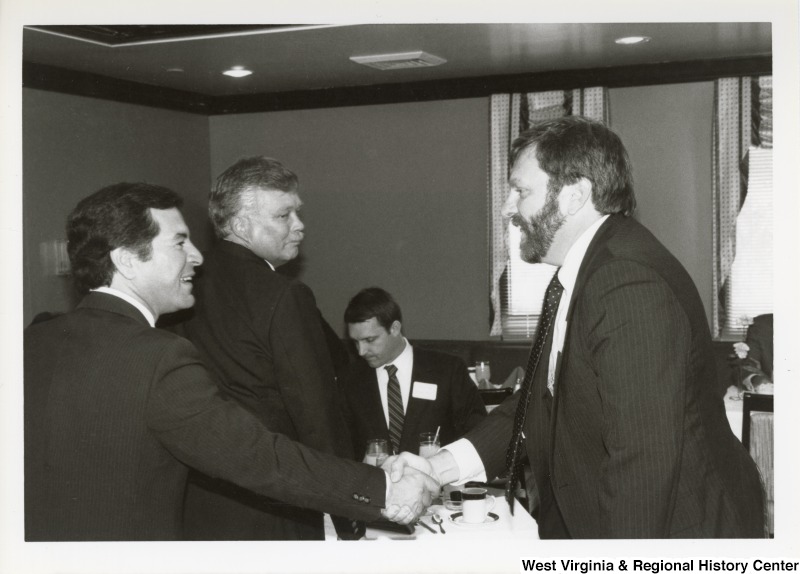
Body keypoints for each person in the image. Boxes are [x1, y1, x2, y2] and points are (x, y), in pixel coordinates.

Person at [385, 116, 766, 538]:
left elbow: (643, 464)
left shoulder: (626, 281)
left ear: (575, 195)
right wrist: (436, 469)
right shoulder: (585, 271)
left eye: (521, 190)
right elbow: (538, 404)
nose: (508, 208)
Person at [24, 183, 435, 541]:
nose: (198, 257)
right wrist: (381, 489)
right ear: (127, 260)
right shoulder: (158, 356)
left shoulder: (32, 341)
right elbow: (259, 456)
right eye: (180, 242)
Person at [177, 157, 361, 540]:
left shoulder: (183, 287)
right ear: (241, 224)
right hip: (276, 503)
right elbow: (316, 415)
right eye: (284, 215)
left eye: (297, 212)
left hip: (198, 501)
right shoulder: (284, 294)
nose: (300, 225)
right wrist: (352, 513)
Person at [341, 287, 486, 460]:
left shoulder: (447, 370)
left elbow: (478, 432)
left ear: (394, 328)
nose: (361, 351)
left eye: (370, 340)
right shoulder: (350, 380)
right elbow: (343, 445)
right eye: (356, 342)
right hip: (378, 484)